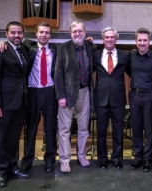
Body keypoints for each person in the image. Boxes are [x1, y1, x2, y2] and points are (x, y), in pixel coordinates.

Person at [0, 22, 58, 173]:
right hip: (32, 93)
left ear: (50, 35)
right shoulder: (27, 48)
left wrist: (88, 41)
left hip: (50, 92)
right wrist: (0, 42)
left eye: (47, 33)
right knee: (31, 129)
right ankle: (27, 161)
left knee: (50, 128)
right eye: (41, 32)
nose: (44, 35)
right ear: (36, 34)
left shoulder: (56, 49)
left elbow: (73, 47)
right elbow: (11, 45)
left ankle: (50, 161)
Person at [0, 21, 30, 187]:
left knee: (13, 138)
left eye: (19, 32)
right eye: (13, 33)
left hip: (19, 102)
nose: (17, 35)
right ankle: (0, 172)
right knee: (1, 138)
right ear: (6, 34)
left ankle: (13, 167)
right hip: (3, 103)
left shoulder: (23, 49)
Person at [55, 21, 96, 173]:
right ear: (70, 33)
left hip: (84, 92)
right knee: (64, 129)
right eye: (74, 31)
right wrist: (60, 95)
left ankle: (82, 155)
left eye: (80, 31)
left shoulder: (90, 47)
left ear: (85, 32)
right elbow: (58, 74)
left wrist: (90, 41)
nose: (77, 34)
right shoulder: (63, 48)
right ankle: (65, 160)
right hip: (66, 94)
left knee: (83, 128)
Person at [93, 27, 129, 170]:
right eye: (106, 37)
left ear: (116, 39)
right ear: (103, 39)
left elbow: (133, 72)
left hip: (118, 98)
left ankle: (116, 159)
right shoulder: (95, 54)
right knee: (101, 131)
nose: (109, 39)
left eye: (112, 37)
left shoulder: (124, 55)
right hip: (100, 98)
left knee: (117, 131)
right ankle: (102, 159)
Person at [129, 28, 152, 172]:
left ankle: (148, 159)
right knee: (136, 127)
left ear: (149, 41)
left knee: (149, 129)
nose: (142, 43)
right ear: (136, 41)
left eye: (145, 40)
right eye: (139, 40)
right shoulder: (130, 56)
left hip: (150, 95)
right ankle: (138, 157)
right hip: (134, 94)